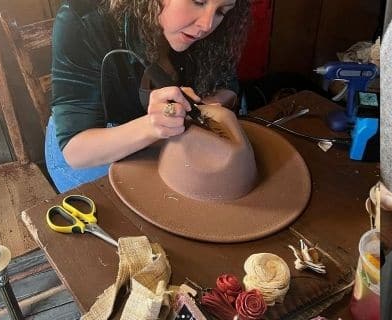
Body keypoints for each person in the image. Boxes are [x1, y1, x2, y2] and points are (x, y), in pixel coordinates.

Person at [45, 0, 250, 192]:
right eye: (198, 1)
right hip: (92, 147)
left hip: (163, 141)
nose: (207, 25)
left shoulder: (211, 30)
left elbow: (227, 81)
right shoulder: (84, 20)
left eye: (221, 11)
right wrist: (154, 126)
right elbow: (75, 150)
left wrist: (206, 106)